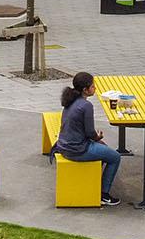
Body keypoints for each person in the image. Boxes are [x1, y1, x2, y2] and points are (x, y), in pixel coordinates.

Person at [52, 72, 122, 206]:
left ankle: (93, 184)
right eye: (93, 86)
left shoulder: (70, 100)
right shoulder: (86, 106)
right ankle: (104, 194)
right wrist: (98, 137)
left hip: (64, 145)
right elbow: (90, 132)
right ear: (85, 90)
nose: (95, 88)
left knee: (103, 148)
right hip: (77, 149)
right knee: (115, 157)